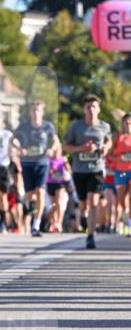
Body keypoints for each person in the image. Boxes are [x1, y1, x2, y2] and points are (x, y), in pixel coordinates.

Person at [62, 94, 112, 249]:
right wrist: (82, 149)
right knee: (83, 204)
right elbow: (66, 146)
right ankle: (84, 216)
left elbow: (109, 140)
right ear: (84, 109)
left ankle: (90, 236)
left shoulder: (105, 126)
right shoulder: (76, 127)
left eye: (94, 107)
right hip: (79, 170)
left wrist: (105, 148)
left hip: (96, 169)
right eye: (88, 107)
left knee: (93, 201)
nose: (91, 109)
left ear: (99, 109)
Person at [12, 100, 57, 237]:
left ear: (42, 112)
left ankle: (35, 225)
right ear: (30, 112)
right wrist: (19, 148)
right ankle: (30, 210)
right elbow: (12, 139)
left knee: (40, 192)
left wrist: (51, 149)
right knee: (29, 195)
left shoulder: (48, 126)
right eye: (33, 110)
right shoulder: (24, 126)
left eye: (38, 110)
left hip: (42, 163)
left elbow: (56, 141)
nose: (35, 113)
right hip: (27, 164)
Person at [109, 113, 131, 235]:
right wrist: (119, 159)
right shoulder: (117, 136)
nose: (128, 125)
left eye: (130, 123)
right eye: (126, 122)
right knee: (122, 200)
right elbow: (110, 154)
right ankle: (124, 220)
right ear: (122, 123)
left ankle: (130, 225)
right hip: (121, 171)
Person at [45, 140, 71, 233]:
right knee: (53, 205)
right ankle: (54, 223)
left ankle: (59, 223)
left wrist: (66, 165)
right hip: (50, 183)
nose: (56, 152)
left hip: (60, 183)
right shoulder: (49, 160)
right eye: (54, 150)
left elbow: (69, 171)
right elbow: (46, 172)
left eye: (57, 150)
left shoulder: (63, 159)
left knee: (59, 201)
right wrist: (51, 171)